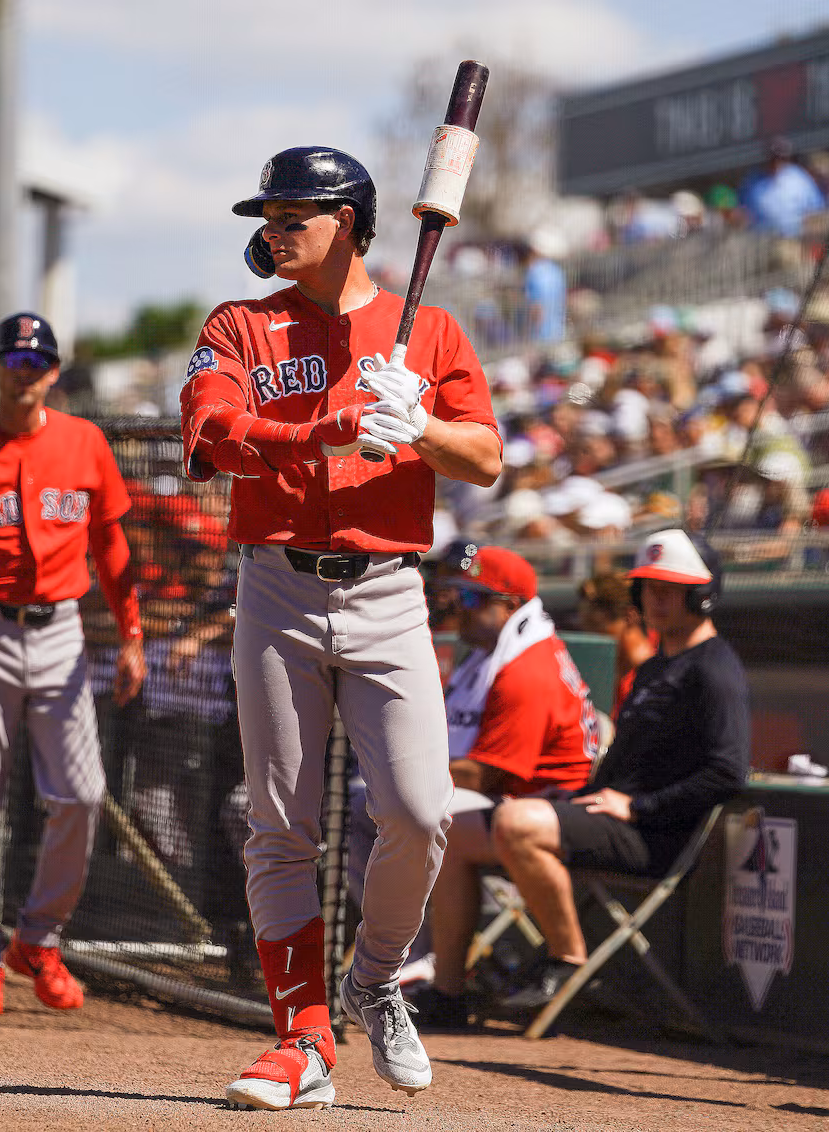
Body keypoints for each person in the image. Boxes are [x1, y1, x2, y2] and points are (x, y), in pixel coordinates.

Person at [180, 146, 500, 1108]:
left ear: (349, 223)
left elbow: (485, 459)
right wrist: (324, 429)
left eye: (295, 217)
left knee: (420, 811)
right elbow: (210, 433)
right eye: (268, 218)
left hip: (391, 588)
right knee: (279, 826)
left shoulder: (429, 329)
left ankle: (375, 979)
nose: (273, 232)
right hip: (276, 585)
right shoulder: (241, 323)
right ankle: (302, 1039)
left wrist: (420, 429)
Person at [0, 311, 147, 1016]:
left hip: (60, 630)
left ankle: (37, 938)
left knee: (81, 793)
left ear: (54, 372)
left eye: (37, 362)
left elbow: (111, 545)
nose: (25, 373)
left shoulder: (84, 442)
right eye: (13, 361)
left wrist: (131, 634)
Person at [491, 528, 750, 1012]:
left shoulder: (715, 668)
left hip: (654, 835)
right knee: (463, 826)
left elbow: (728, 772)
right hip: (613, 819)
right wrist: (578, 797)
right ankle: (451, 979)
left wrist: (638, 807)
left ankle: (566, 959)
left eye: (670, 589)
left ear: (702, 595)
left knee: (515, 823)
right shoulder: (653, 667)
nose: (655, 600)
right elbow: (626, 764)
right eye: (648, 588)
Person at [409, 547, 600, 1029]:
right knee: (423, 821)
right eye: (459, 596)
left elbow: (490, 775)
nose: (461, 609)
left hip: (556, 810)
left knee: (421, 815)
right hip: (525, 803)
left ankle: (426, 966)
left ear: (510, 605)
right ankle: (446, 987)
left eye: (474, 598)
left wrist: (403, 772)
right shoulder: (497, 655)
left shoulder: (525, 669)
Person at [576, 571, 655, 709]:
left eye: (599, 628)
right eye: (587, 629)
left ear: (629, 617)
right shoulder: (611, 674)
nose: (592, 637)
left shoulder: (653, 679)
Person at [739, 137, 827, 239]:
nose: (776, 163)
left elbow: (817, 208)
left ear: (787, 159)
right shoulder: (753, 182)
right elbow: (743, 212)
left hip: (798, 237)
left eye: (781, 158)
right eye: (773, 159)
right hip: (765, 239)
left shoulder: (799, 178)